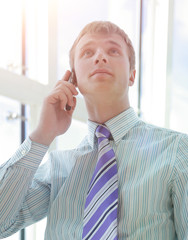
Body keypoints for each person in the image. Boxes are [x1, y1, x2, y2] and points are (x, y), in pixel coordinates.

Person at [0, 21, 187, 240]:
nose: (100, 57)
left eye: (113, 50)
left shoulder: (178, 151)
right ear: (73, 79)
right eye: (88, 52)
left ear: (132, 75)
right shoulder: (57, 169)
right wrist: (42, 136)